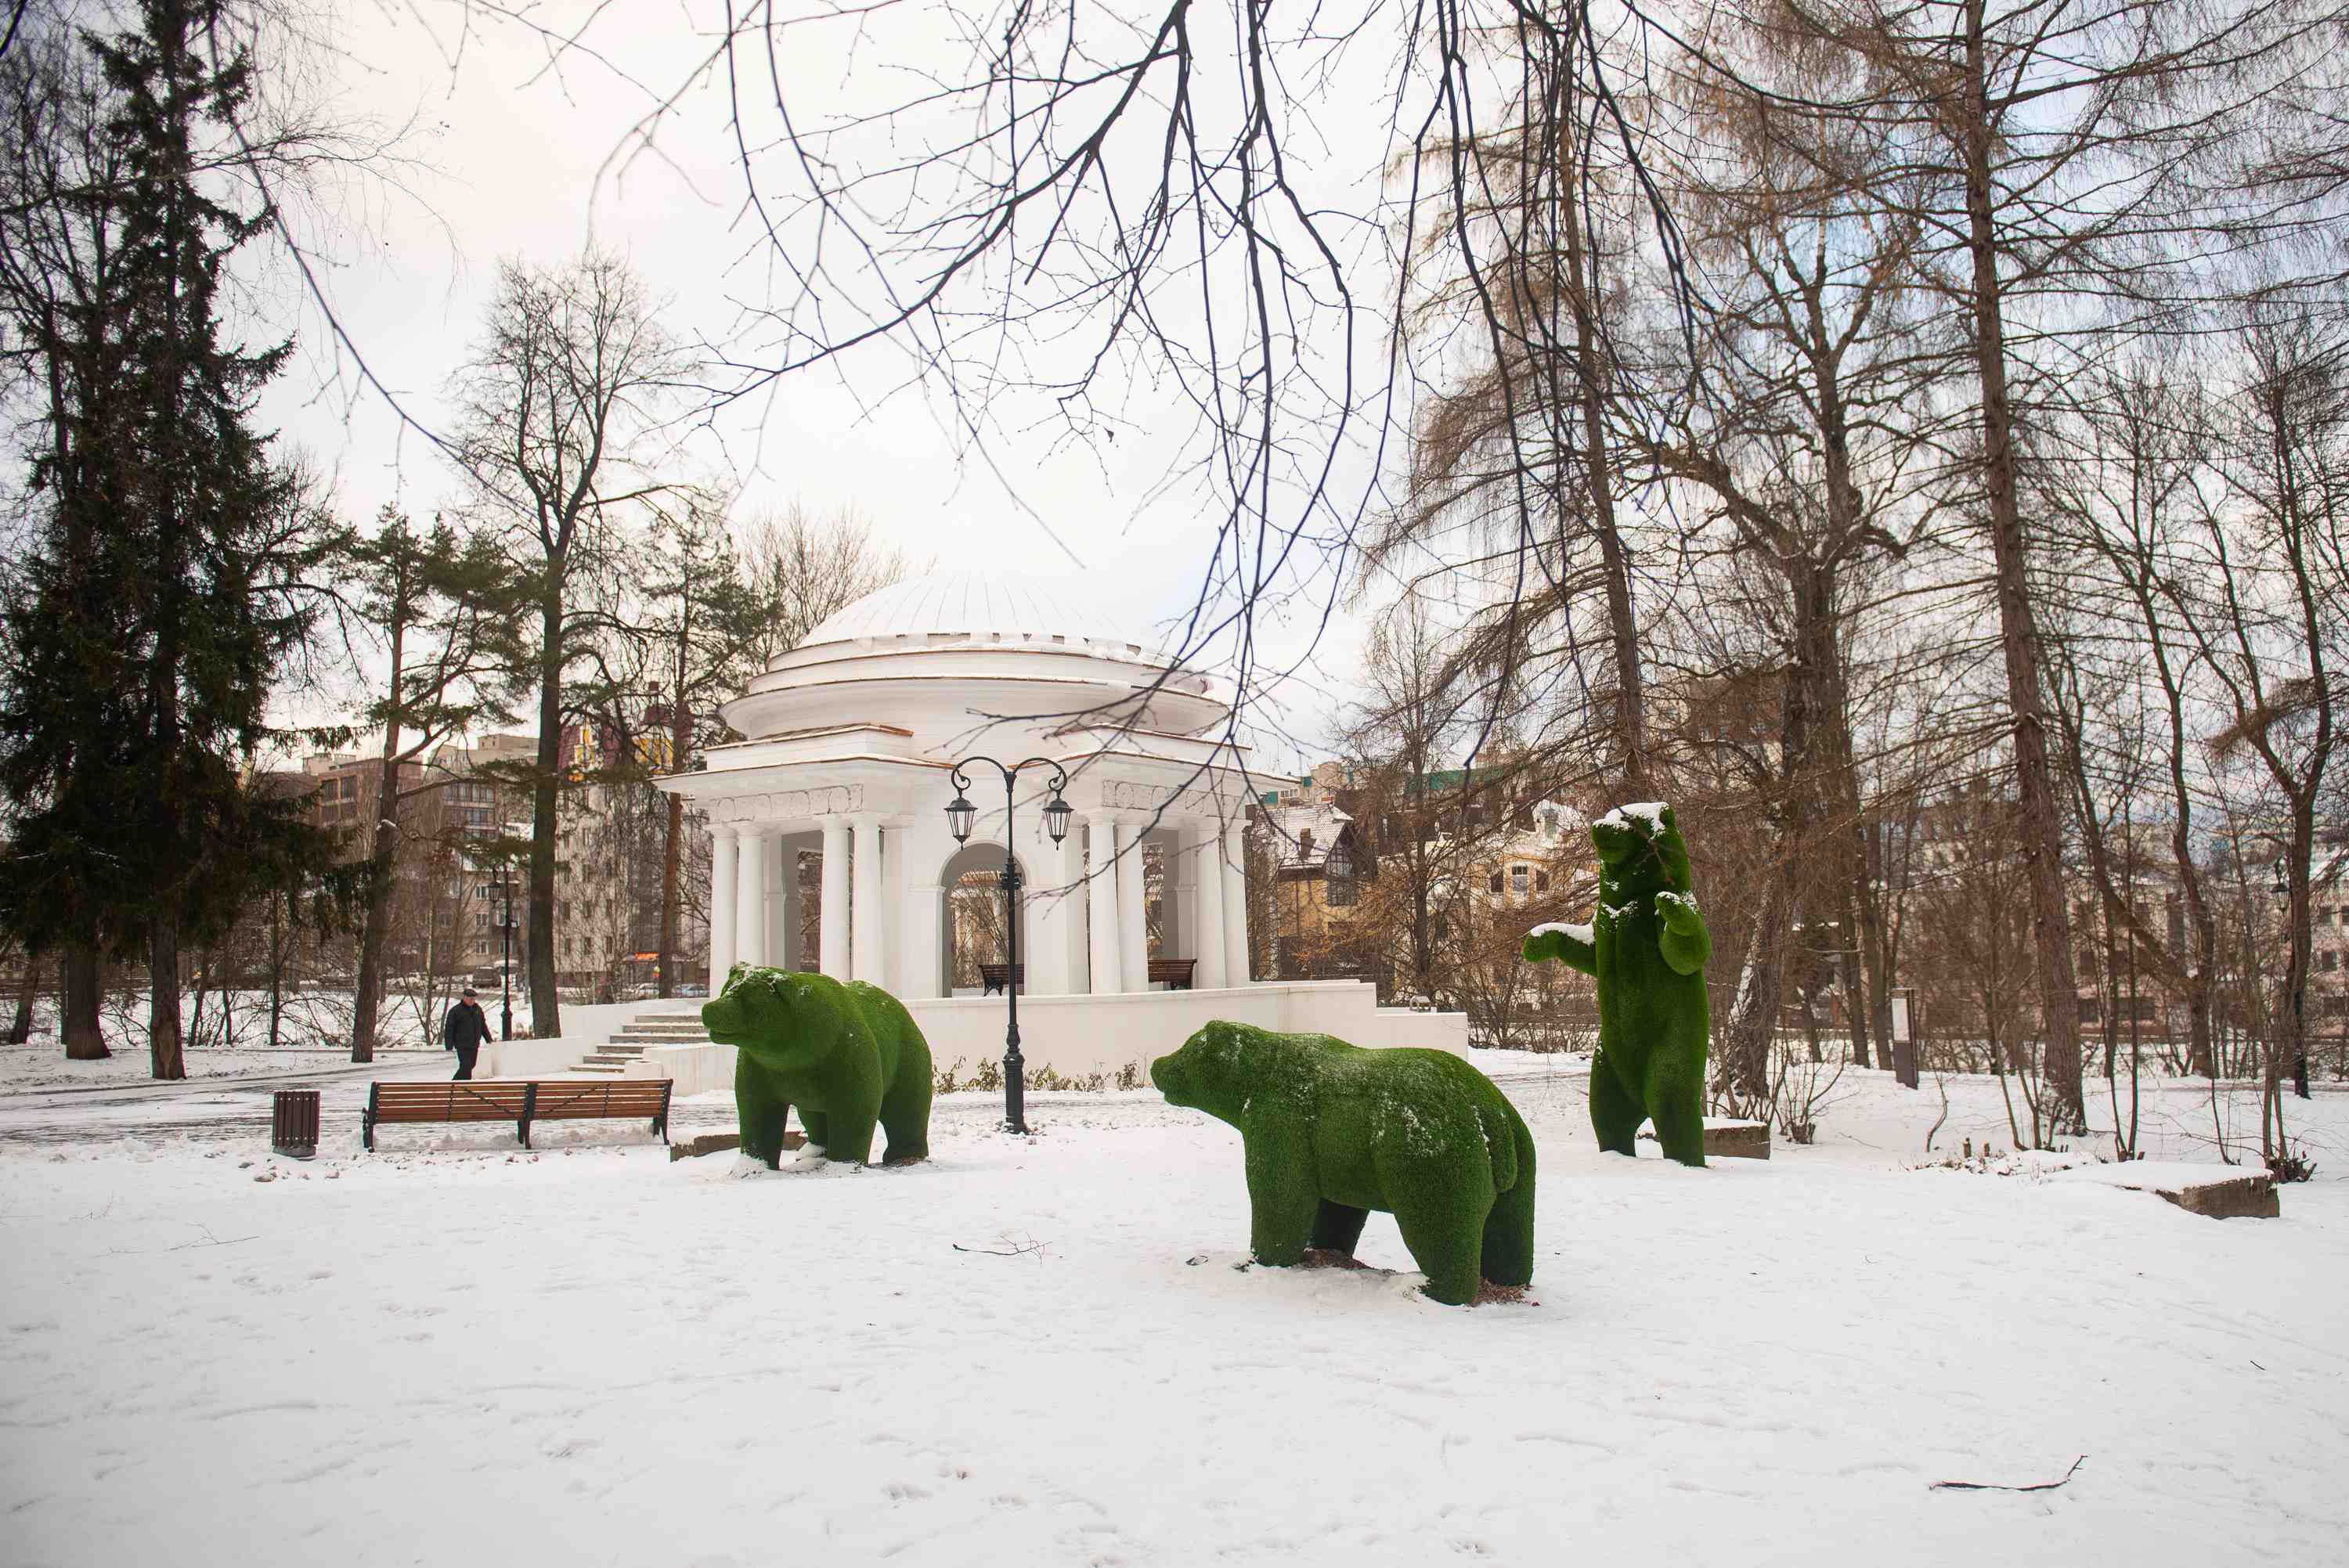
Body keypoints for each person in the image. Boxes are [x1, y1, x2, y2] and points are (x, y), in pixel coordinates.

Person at [444, 987, 491, 1081]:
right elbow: (449, 1029)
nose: (472, 1001)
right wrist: (449, 1044)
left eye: (473, 999)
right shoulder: (456, 1011)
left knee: (471, 1065)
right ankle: (456, 1084)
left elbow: (483, 1025)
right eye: (470, 999)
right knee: (466, 1065)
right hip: (462, 1044)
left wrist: (488, 1038)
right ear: (464, 998)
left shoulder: (477, 1010)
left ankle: (462, 1084)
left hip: (474, 1043)